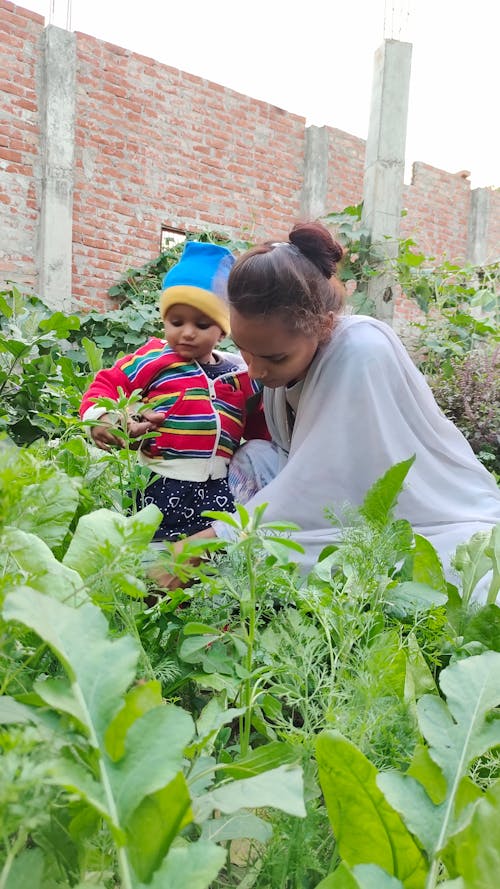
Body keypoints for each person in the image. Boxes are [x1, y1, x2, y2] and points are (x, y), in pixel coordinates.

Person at [172, 222, 500, 595]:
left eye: (275, 357)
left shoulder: (361, 349)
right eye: (246, 350)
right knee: (255, 457)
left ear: (323, 326)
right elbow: (292, 463)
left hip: (419, 514)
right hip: (327, 496)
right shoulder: (279, 365)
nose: (256, 371)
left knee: (458, 580)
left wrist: (209, 541)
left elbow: (320, 478)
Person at [80, 240, 268, 541]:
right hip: (160, 482)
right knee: (151, 553)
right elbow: (107, 383)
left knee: (206, 561)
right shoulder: (153, 358)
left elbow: (260, 427)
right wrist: (104, 417)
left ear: (222, 330)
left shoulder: (239, 377)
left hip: (217, 489)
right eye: (176, 321)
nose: (187, 332)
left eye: (203, 324)